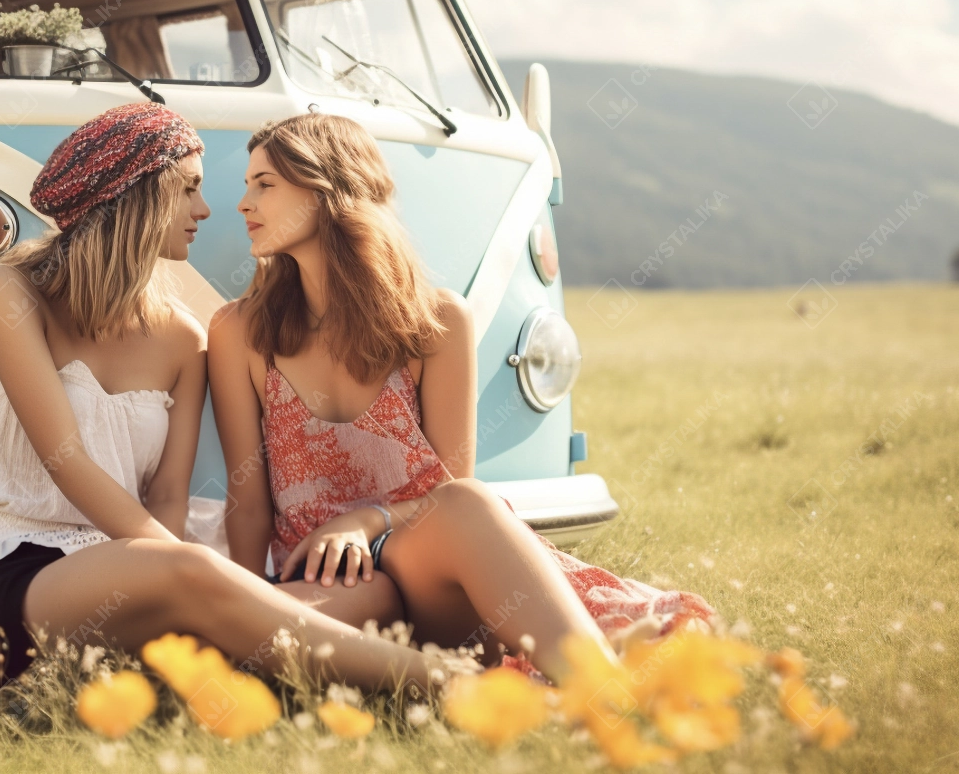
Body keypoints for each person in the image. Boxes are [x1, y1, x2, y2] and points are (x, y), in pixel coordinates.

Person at [0, 102, 446, 691]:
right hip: (25, 570)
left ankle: (227, 664)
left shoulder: (184, 339)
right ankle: (448, 683)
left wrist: (192, 571)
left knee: (377, 591)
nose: (206, 210)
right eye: (188, 190)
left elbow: (167, 497)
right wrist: (190, 568)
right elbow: (68, 460)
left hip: (154, 573)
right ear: (137, 196)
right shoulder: (9, 292)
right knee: (188, 569)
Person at [208, 113, 716, 685]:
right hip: (330, 585)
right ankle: (484, 684)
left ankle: (603, 697)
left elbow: (450, 488)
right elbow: (248, 507)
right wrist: (251, 602)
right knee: (254, 640)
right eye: (248, 185)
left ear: (329, 189)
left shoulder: (437, 320)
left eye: (264, 184)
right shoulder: (239, 333)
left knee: (468, 502)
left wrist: (365, 521)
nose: (243, 204)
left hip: (429, 573)